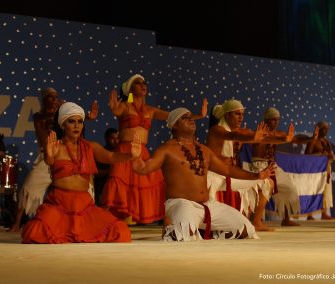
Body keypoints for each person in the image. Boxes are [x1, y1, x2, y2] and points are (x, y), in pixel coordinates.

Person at [132, 107, 275, 241]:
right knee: (182, 235)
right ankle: (174, 228)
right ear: (174, 125)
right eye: (185, 118)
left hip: (207, 205)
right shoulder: (166, 150)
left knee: (246, 229)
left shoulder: (204, 150)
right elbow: (143, 168)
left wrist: (257, 176)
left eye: (191, 117)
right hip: (182, 204)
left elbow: (228, 170)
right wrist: (136, 157)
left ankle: (207, 232)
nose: (191, 119)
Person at [21, 102, 140, 243]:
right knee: (33, 233)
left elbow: (111, 157)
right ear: (62, 124)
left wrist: (131, 155)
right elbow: (49, 161)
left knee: (121, 231)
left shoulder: (90, 147)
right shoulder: (56, 146)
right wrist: (50, 155)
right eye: (71, 122)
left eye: (80, 122)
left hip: (84, 206)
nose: (77, 126)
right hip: (59, 204)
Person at [101, 73, 208, 224]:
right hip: (124, 150)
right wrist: (114, 108)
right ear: (129, 89)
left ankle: (168, 223)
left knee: (149, 184)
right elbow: (117, 111)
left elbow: (174, 116)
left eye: (144, 82)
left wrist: (198, 115)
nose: (143, 85)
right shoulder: (125, 106)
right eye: (138, 83)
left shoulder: (150, 110)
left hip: (142, 152)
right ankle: (104, 222)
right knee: (118, 184)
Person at [9, 87, 98, 232]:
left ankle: (86, 222)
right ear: (44, 100)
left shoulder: (62, 117)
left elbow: (71, 119)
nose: (54, 100)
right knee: (29, 187)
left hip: (68, 155)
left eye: (55, 97)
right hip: (47, 156)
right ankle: (17, 223)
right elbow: (49, 119)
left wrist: (86, 117)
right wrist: (60, 111)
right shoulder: (39, 116)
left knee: (87, 187)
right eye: (50, 97)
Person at [206, 99, 277, 231]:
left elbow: (264, 137)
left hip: (228, 175)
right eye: (237, 114)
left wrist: (285, 139)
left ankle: (256, 222)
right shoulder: (216, 130)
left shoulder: (238, 132)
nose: (241, 117)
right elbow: (233, 135)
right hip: (213, 178)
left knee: (267, 182)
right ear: (226, 115)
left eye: (242, 114)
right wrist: (253, 138)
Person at [251, 107, 318, 227]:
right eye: (273, 120)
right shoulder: (259, 133)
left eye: (277, 120)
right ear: (266, 120)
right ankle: (256, 221)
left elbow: (295, 139)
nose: (276, 123)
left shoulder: (279, 133)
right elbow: (269, 139)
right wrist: (284, 139)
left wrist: (311, 138)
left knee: (289, 189)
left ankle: (286, 219)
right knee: (262, 192)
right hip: (259, 166)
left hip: (273, 166)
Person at [305, 120, 334, 220]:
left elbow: (331, 155)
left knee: (325, 191)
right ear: (319, 129)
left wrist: (330, 156)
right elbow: (307, 155)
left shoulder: (326, 142)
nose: (325, 131)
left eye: (327, 129)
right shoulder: (313, 141)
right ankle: (309, 214)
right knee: (314, 191)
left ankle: (324, 213)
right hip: (315, 170)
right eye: (324, 129)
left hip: (325, 169)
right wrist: (320, 155)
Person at [94, 128, 120, 205]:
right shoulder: (101, 152)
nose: (116, 141)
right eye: (112, 138)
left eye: (117, 138)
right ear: (106, 138)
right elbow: (95, 172)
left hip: (118, 192)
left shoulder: (121, 153)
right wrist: (112, 172)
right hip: (103, 189)